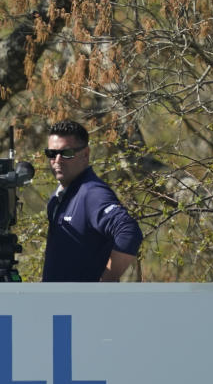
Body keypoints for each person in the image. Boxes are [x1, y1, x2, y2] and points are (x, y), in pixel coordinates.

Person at [42, 121, 143, 282]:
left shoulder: (92, 193)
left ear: (85, 154)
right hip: (58, 304)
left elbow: (128, 231)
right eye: (52, 153)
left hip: (86, 305)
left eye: (66, 153)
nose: (58, 160)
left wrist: (104, 284)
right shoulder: (58, 197)